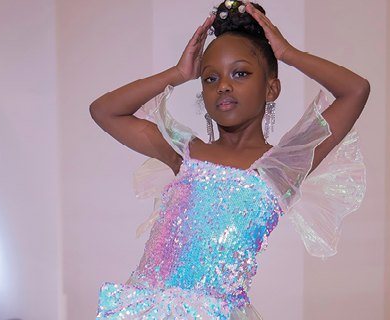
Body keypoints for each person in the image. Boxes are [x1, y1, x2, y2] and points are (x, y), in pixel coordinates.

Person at [90, 1, 369, 319]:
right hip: (145, 310)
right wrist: (178, 73)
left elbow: (355, 90)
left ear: (271, 88)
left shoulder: (281, 167)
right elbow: (105, 110)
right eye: (210, 78)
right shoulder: (185, 154)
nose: (223, 85)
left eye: (241, 73)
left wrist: (287, 53)